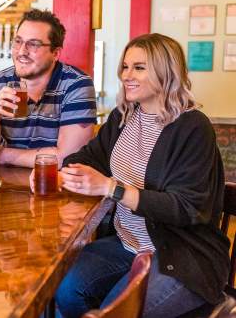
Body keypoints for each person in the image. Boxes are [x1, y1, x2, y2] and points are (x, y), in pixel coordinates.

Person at [51, 33, 229, 317]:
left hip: (180, 254)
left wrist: (111, 187)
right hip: (126, 243)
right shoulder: (123, 117)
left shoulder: (192, 127)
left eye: (139, 67)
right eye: (125, 66)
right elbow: (87, 158)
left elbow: (186, 208)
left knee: (115, 310)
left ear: (166, 72)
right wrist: (70, 172)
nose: (126, 75)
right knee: (63, 288)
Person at [0, 9, 97, 168]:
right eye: (18, 41)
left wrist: (2, 154)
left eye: (33, 44)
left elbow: (70, 159)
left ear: (55, 53)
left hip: (54, 188)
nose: (22, 52)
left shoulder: (75, 84)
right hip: (4, 189)